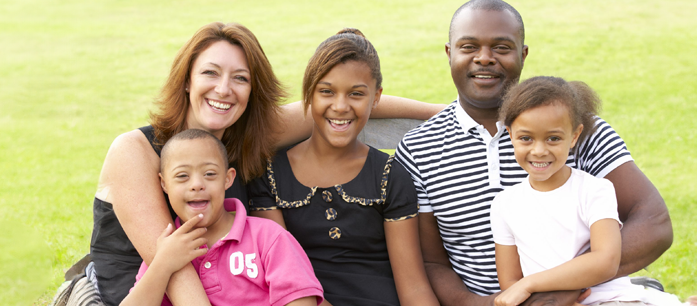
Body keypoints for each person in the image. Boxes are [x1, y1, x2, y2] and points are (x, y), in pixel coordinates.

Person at [83, 22, 442, 305]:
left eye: (240, 78)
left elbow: (342, 98)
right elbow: (175, 270)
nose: (224, 90)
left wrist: (447, 113)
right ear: (187, 81)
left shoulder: (248, 138)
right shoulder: (134, 150)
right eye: (210, 73)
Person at [394, 0, 675, 306]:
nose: (484, 58)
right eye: (469, 47)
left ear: (523, 54)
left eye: (501, 47)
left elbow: (654, 222)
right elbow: (432, 262)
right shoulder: (419, 148)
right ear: (449, 53)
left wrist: (558, 292)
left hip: (590, 297)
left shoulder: (572, 126)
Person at [248, 29, 438, 306]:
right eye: (326, 91)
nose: (340, 106)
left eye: (356, 94)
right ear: (308, 93)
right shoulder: (270, 176)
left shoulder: (389, 176)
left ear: (376, 98)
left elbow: (414, 288)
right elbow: (287, 280)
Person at [489, 77, 697, 306]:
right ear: (510, 134)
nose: (539, 150)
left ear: (574, 136)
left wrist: (531, 284)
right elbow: (510, 281)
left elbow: (605, 260)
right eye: (526, 138)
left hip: (609, 299)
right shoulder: (504, 204)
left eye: (553, 138)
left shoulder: (594, 190)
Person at [124, 129, 324, 306]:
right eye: (182, 176)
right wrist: (162, 264)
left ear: (227, 179)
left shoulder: (268, 237)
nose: (196, 184)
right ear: (164, 184)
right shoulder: (167, 249)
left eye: (210, 174)